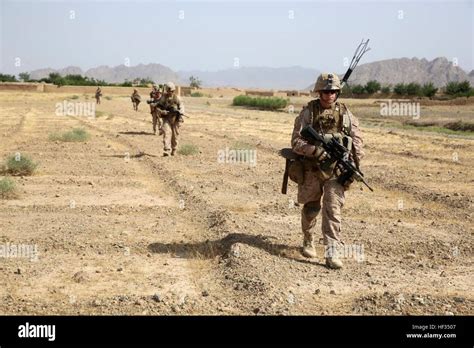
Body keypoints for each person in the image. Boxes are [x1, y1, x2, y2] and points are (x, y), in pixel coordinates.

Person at [290, 73, 364, 269]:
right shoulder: (308, 112)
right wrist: (314, 150)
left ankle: (332, 252)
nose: (328, 95)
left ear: (337, 92)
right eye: (325, 91)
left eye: (332, 91)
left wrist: (355, 166)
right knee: (312, 208)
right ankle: (308, 238)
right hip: (312, 169)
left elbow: (357, 142)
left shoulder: (346, 114)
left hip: (336, 171)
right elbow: (296, 141)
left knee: (332, 209)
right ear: (319, 92)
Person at [153, 82, 184, 156]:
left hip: (175, 119)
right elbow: (158, 106)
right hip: (166, 118)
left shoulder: (177, 98)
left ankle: (174, 149)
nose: (170, 92)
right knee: (166, 133)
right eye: (168, 91)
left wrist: (179, 112)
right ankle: (166, 149)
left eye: (171, 91)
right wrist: (162, 111)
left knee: (175, 136)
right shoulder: (163, 98)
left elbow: (182, 107)